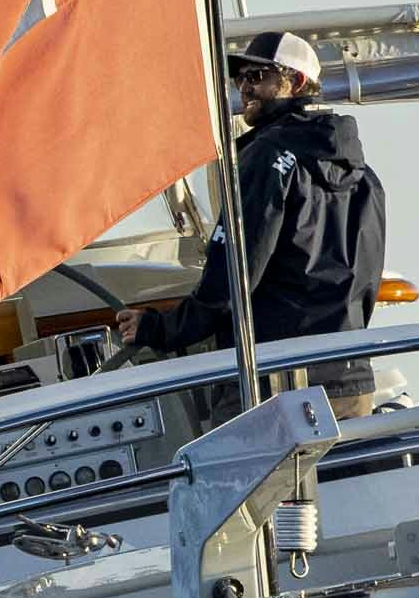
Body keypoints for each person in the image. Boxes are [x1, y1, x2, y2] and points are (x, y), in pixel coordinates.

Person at [131, 32, 389, 359]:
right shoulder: (365, 176)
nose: (244, 88)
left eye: (256, 76)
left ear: (295, 82)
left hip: (277, 378)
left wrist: (159, 328)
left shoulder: (267, 157)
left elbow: (231, 283)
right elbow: (366, 283)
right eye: (240, 79)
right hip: (348, 372)